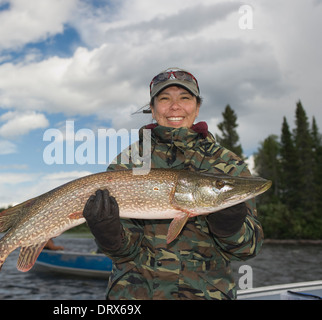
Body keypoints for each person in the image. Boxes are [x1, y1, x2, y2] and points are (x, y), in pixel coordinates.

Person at [83, 67, 263, 300]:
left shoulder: (227, 164)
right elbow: (123, 253)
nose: (175, 106)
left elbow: (248, 250)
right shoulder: (129, 162)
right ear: (153, 109)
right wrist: (108, 233)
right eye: (165, 99)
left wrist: (230, 228)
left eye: (185, 98)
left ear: (197, 108)